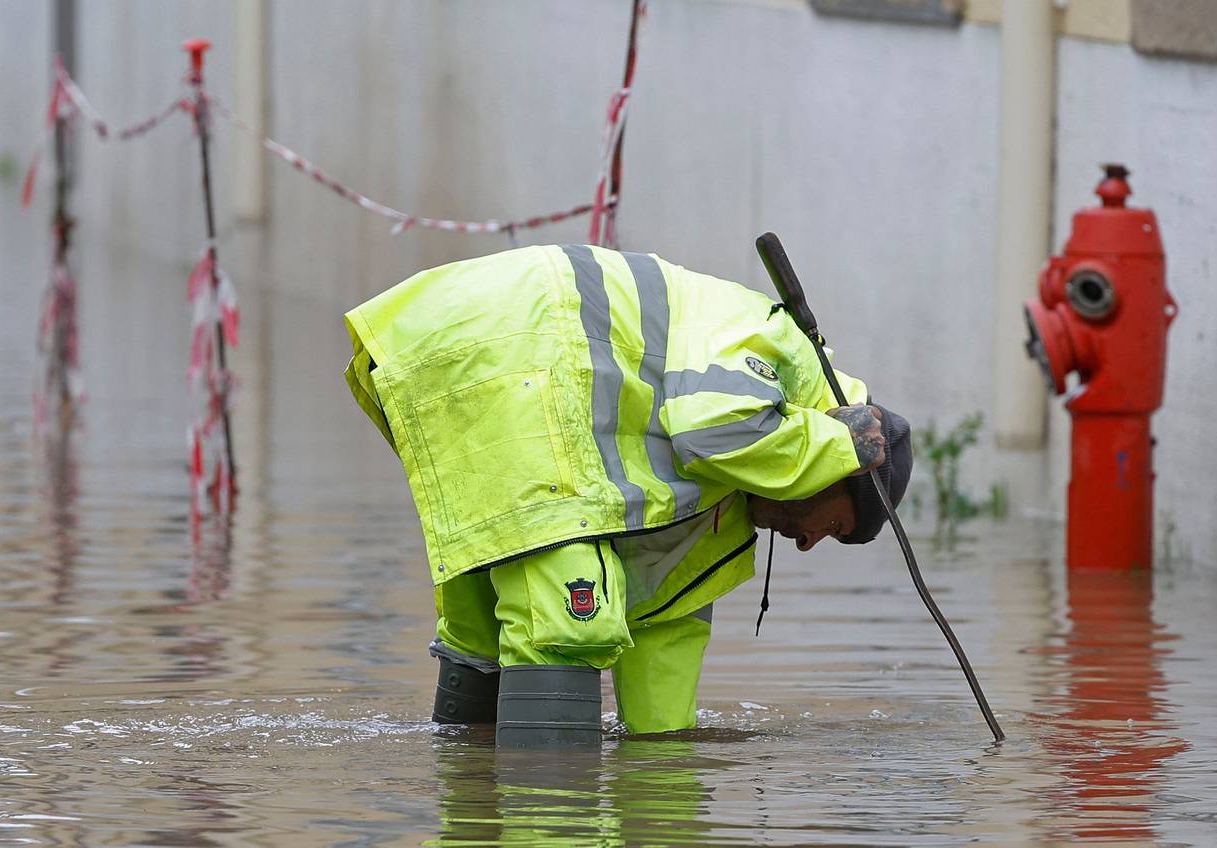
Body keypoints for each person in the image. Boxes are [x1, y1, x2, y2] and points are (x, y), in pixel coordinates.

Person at [343, 244, 912, 743]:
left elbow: (668, 626)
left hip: (470, 353)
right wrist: (843, 446)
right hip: (511, 345)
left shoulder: (718, 501)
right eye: (833, 528)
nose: (807, 543)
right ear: (841, 471)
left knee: (482, 626)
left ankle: (471, 816)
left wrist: (666, 759)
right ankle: (552, 837)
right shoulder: (783, 355)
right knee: (569, 623)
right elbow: (711, 427)